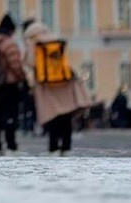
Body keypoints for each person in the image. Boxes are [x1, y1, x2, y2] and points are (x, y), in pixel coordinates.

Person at [22, 21, 91, 156]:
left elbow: (30, 63)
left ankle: (53, 148)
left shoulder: (33, 43)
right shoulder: (57, 40)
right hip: (64, 82)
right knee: (66, 116)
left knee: (53, 116)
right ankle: (66, 148)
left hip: (47, 85)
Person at [0, 14, 25, 154]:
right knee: (10, 115)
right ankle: (11, 146)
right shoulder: (9, 43)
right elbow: (15, 64)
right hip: (9, 84)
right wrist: (22, 78)